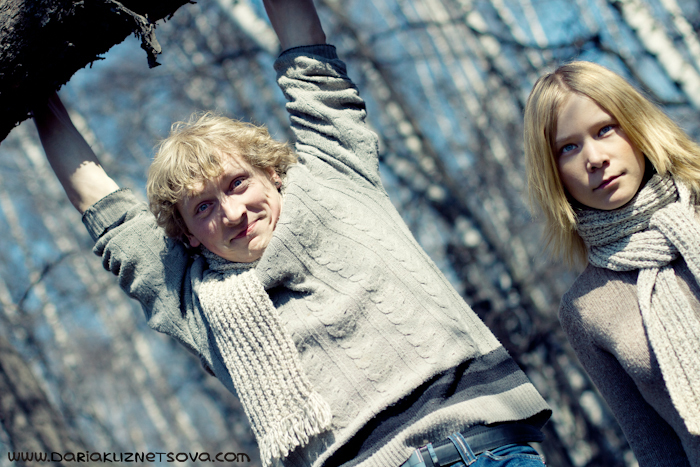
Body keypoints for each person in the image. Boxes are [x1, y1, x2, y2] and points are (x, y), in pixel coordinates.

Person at [33, 1, 551, 466]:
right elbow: (100, 204)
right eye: (204, 207)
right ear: (187, 235)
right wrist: (29, 83)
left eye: (237, 183)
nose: (232, 212)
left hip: (488, 445)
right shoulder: (190, 299)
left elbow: (307, 55)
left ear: (271, 172)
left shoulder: (335, 176)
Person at [524, 60, 700, 466]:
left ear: (637, 126)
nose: (594, 158)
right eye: (568, 148)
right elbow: (653, 445)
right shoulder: (586, 308)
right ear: (554, 173)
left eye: (605, 130)